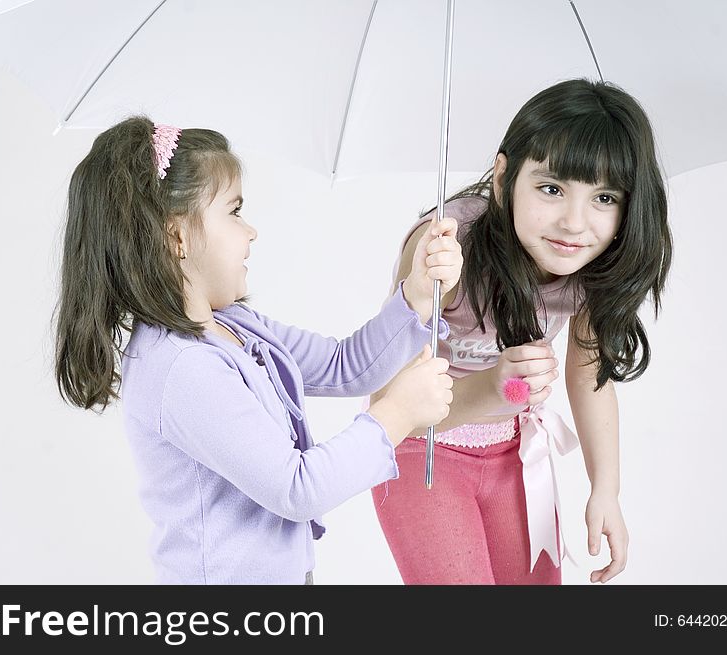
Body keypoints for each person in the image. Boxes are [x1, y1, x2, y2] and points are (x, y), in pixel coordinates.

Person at [53, 116, 461, 584]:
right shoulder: (180, 366)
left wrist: (417, 294)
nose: (251, 231)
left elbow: (344, 366)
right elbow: (297, 488)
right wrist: (398, 414)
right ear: (177, 236)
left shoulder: (235, 326)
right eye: (233, 211)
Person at [369, 78, 672, 585]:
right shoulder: (446, 247)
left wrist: (605, 490)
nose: (575, 223)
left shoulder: (591, 267)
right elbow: (389, 404)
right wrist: (490, 389)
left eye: (603, 197)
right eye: (551, 189)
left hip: (512, 452)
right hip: (419, 453)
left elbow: (588, 377)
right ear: (505, 176)